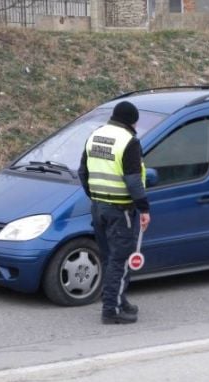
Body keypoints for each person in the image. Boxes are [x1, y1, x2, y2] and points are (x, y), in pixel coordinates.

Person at [79, 101, 151, 324]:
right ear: (131, 120)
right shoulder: (129, 142)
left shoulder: (96, 135)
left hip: (98, 207)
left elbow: (83, 172)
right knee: (120, 259)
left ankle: (119, 299)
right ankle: (111, 310)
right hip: (121, 210)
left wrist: (95, 196)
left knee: (110, 257)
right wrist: (144, 208)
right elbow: (133, 180)